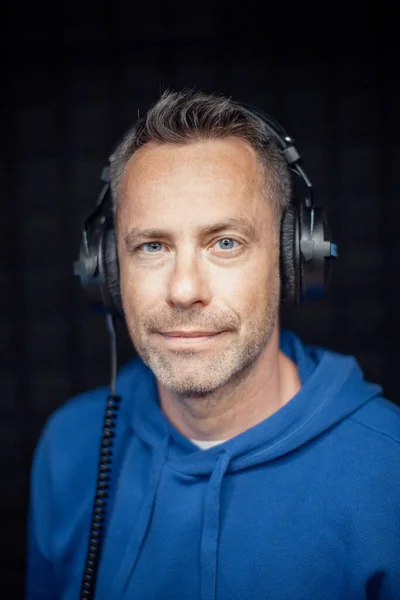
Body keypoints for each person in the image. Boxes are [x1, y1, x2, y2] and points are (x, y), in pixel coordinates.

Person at [26, 89, 400, 600]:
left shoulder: (387, 473)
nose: (184, 290)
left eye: (225, 243)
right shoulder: (70, 445)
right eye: (152, 246)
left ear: (294, 262)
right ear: (107, 272)